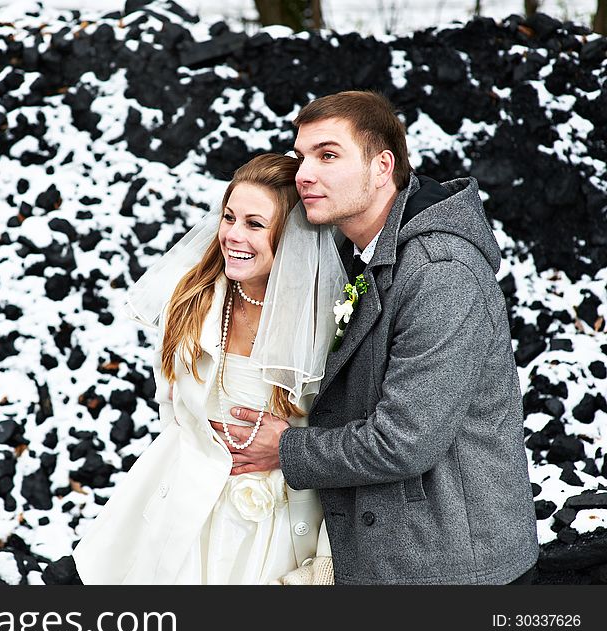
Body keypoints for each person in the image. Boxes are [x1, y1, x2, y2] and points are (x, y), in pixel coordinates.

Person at [223, 91, 539, 585]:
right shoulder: (352, 250)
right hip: (389, 551)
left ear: (381, 166)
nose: (304, 173)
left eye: (328, 155)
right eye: (301, 155)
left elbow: (404, 441)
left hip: (449, 566)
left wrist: (285, 450)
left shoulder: (441, 273)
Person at [72, 154, 346, 584]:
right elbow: (174, 413)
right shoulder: (193, 301)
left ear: (295, 238)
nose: (233, 235)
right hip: (181, 507)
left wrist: (324, 563)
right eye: (229, 217)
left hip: (273, 526)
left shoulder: (330, 324)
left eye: (255, 224)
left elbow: (343, 443)